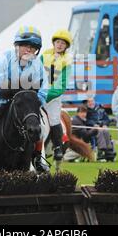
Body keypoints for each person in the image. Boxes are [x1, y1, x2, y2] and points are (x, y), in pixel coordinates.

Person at [0, 25, 48, 172]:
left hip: (26, 107)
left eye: (33, 47)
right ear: (17, 46)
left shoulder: (38, 63)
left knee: (41, 126)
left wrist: (32, 104)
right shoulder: (5, 59)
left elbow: (43, 90)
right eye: (25, 45)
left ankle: (37, 158)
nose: (29, 50)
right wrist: (6, 102)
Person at [41, 29, 73, 162]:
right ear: (54, 43)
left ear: (66, 46)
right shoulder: (44, 55)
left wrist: (46, 95)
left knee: (54, 119)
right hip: (39, 92)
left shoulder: (67, 61)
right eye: (58, 42)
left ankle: (58, 147)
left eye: (63, 43)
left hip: (53, 96)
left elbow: (61, 85)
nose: (59, 45)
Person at [86, 97, 116, 162]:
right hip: (92, 129)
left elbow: (107, 119)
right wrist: (94, 124)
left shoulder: (101, 109)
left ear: (94, 101)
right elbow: (87, 121)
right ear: (87, 103)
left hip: (101, 127)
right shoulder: (86, 111)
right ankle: (102, 149)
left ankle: (109, 149)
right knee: (100, 130)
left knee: (105, 130)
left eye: (92, 101)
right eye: (89, 102)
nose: (91, 103)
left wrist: (104, 124)